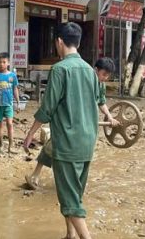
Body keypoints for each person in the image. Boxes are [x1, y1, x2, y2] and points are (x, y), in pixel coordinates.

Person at [23, 23, 100, 239]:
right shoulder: (90, 71)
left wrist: (30, 133)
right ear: (78, 41)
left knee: (68, 197)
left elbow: (48, 108)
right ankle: (70, 235)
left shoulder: (59, 70)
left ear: (59, 41)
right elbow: (98, 101)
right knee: (74, 192)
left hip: (67, 141)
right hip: (88, 140)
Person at [25, 57, 120, 190]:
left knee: (80, 154)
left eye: (108, 76)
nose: (105, 78)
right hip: (68, 122)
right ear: (95, 70)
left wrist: (109, 117)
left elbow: (101, 102)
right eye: (104, 74)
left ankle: (73, 183)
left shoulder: (100, 85)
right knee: (50, 148)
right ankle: (35, 175)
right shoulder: (80, 79)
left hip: (85, 126)